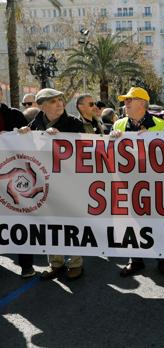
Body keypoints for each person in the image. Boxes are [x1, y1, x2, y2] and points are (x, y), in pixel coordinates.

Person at [18, 88, 85, 280]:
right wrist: (23, 134)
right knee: (50, 225)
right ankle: (55, 263)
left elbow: (84, 154)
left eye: (60, 100)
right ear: (42, 105)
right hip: (45, 185)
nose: (59, 104)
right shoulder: (36, 122)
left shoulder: (74, 124)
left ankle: (75, 263)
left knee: (71, 224)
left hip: (70, 183)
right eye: (54, 101)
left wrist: (62, 139)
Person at [110, 87, 164, 277]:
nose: (126, 103)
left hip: (156, 184)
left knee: (159, 222)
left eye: (130, 100)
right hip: (129, 183)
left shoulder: (161, 125)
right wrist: (111, 140)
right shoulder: (118, 125)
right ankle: (135, 260)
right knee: (132, 223)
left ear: (143, 103)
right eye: (125, 100)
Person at [0, 86, 34, 278]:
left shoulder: (14, 115)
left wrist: (23, 133)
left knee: (19, 219)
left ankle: (26, 265)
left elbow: (30, 142)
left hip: (14, 176)